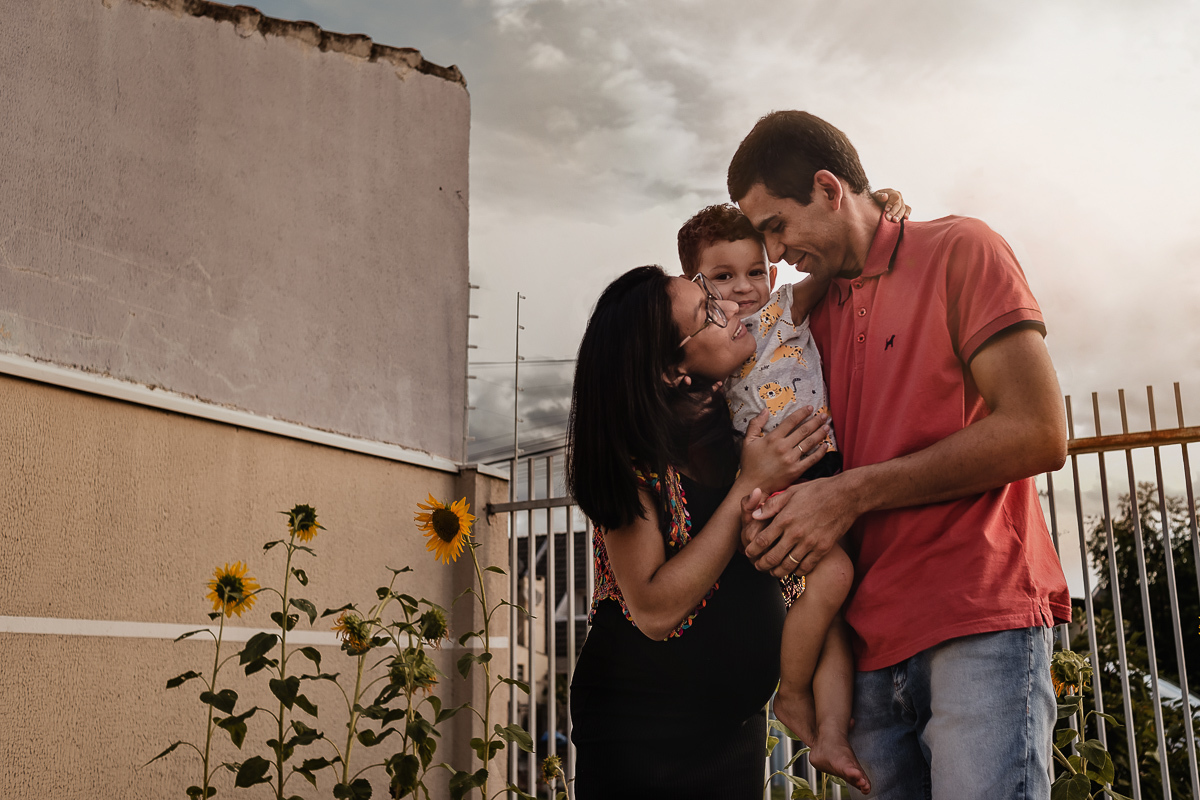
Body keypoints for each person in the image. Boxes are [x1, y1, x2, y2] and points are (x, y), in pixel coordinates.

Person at [727, 110, 1071, 799]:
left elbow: (1039, 430)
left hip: (976, 617)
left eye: (777, 225)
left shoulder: (962, 248)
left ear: (829, 188)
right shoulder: (804, 317)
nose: (775, 253)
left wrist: (848, 494)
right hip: (863, 649)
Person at [566, 265, 834, 798]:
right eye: (708, 311)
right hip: (642, 743)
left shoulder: (739, 425)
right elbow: (654, 608)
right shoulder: (633, 465)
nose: (732, 307)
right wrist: (750, 485)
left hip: (733, 732)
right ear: (672, 371)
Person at [671, 196, 905, 790]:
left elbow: (834, 261)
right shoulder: (711, 345)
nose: (743, 288)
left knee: (834, 619)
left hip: (820, 476)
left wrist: (877, 210)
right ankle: (793, 691)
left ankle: (830, 734)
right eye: (723, 277)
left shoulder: (780, 310)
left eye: (755, 271)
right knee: (835, 579)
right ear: (696, 284)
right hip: (774, 489)